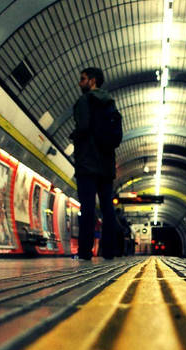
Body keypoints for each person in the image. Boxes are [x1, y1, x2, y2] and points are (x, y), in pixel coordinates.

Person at [70, 67, 118, 260]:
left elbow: (82, 127)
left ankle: (85, 251)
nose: (80, 83)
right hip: (106, 165)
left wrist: (75, 136)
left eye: (82, 79)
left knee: (88, 208)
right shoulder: (110, 103)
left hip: (88, 164)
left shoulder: (85, 101)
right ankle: (109, 250)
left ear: (92, 81)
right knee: (107, 208)